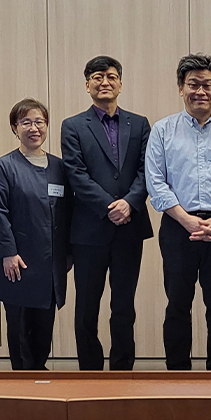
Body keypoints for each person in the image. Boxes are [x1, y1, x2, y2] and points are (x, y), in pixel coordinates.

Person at [145, 53, 211, 371]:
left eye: (208, 84)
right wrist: (187, 219)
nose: (200, 91)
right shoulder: (162, 131)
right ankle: (177, 371)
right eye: (193, 84)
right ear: (181, 87)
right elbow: (156, 182)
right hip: (178, 226)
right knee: (177, 303)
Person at [61, 56, 153, 371]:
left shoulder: (139, 123)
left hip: (130, 227)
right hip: (89, 229)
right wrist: (108, 206)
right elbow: (76, 174)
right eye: (97, 77)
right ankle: (89, 370)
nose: (105, 82)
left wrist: (130, 202)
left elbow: (147, 170)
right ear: (87, 85)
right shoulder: (73, 125)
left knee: (124, 305)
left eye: (111, 76)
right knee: (87, 306)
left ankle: (122, 369)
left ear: (120, 84)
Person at [0, 99, 72, 371]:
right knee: (21, 330)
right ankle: (23, 379)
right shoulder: (5, 166)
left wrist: (68, 254)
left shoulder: (60, 167)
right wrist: (8, 253)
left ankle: (40, 373)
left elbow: (69, 212)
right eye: (26, 122)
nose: (34, 128)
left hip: (50, 264)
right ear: (15, 127)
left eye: (39, 122)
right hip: (18, 263)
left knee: (44, 328)